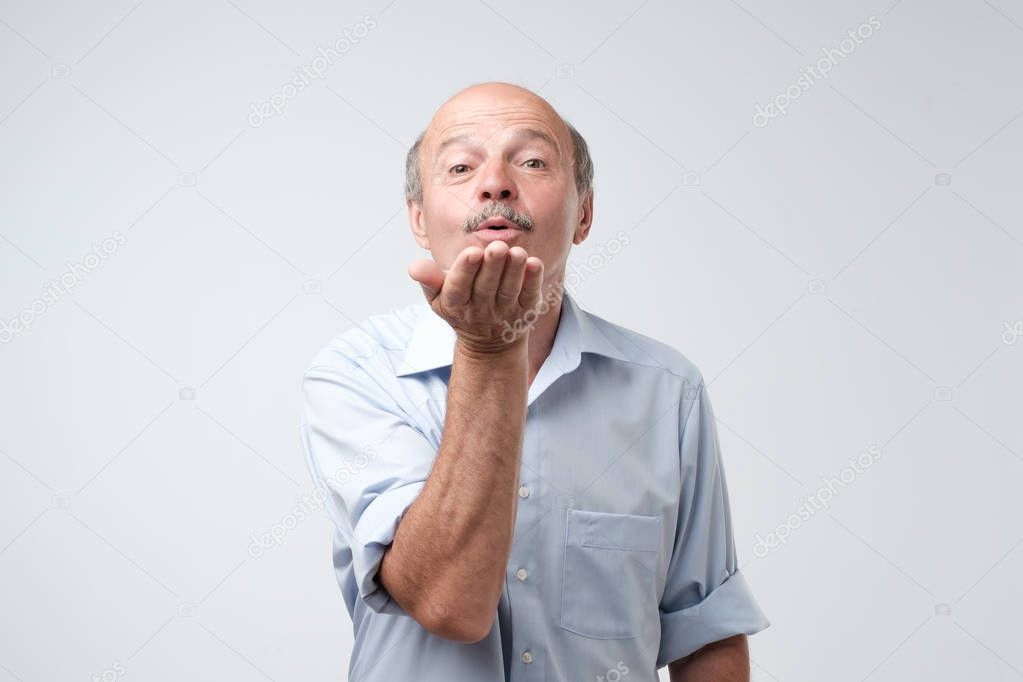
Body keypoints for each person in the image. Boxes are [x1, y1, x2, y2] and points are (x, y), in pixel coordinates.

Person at [299, 81, 769, 681]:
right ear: (419, 218)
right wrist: (488, 346)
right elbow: (450, 603)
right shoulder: (355, 376)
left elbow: (704, 632)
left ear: (585, 214)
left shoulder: (667, 391)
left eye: (532, 161)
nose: (495, 183)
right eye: (461, 165)